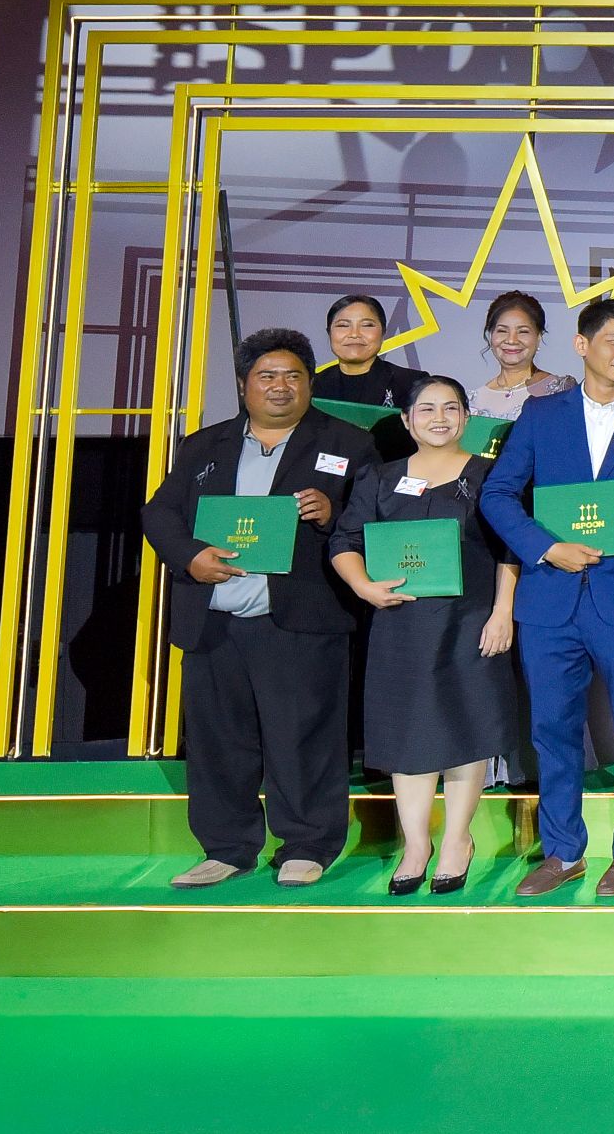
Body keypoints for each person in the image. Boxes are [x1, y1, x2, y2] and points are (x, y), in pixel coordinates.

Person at [139, 328, 371, 888]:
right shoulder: (204, 445)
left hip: (300, 619)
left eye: (293, 375)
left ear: (310, 383)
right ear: (244, 384)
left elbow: (376, 518)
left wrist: (332, 512)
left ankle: (308, 845)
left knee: (304, 737)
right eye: (267, 375)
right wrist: (191, 557)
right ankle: (227, 847)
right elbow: (160, 513)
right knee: (218, 742)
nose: (280, 386)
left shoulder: (347, 443)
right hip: (214, 620)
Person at [480, 296, 614, 898]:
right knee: (552, 732)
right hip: (550, 601)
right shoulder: (541, 414)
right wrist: (546, 548)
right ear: (582, 344)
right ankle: (563, 851)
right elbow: (497, 494)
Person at [332, 374, 521, 894]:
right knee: (406, 731)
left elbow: (511, 548)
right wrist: (364, 586)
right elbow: (345, 540)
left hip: (471, 621)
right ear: (406, 420)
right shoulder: (379, 477)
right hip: (400, 623)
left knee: (467, 727)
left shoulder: (489, 475)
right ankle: (416, 844)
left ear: (466, 417)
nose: (440, 418)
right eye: (427, 409)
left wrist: (503, 611)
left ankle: (457, 840)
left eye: (451, 408)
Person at [468, 289, 575, 423]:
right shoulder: (473, 401)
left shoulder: (560, 390)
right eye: (502, 331)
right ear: (491, 336)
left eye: (523, 332)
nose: (511, 340)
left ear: (538, 337)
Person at [314, 292, 426, 410]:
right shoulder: (312, 386)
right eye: (343, 325)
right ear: (329, 333)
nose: (354, 334)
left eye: (367, 325)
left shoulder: (413, 383)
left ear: (383, 332)